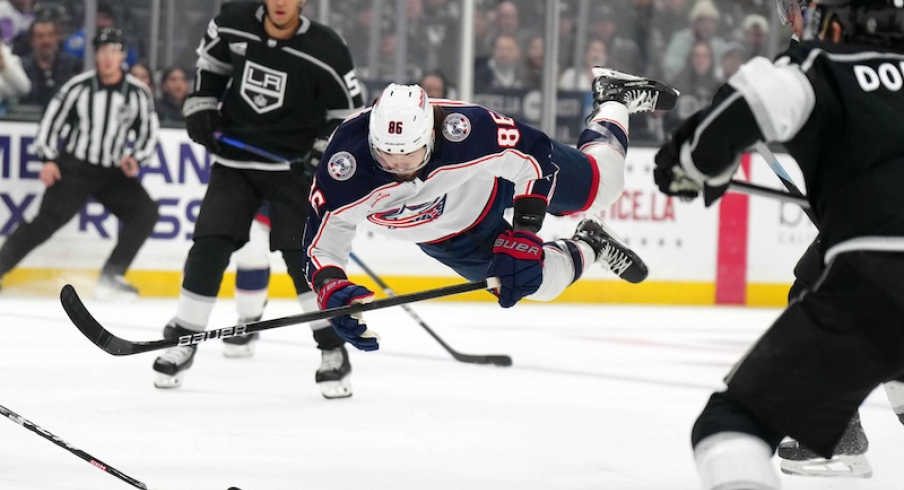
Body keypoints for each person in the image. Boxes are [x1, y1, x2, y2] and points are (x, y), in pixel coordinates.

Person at [651, 1, 904, 489]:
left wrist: (689, 165)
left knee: (729, 428)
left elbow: (708, 139)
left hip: (877, 271)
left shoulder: (814, 66)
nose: (792, 18)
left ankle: (835, 436)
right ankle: (841, 433)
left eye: (799, 7)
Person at [303, 69, 679, 352]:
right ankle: (591, 243)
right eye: (387, 156)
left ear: (430, 134)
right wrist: (332, 290)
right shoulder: (343, 170)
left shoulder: (466, 128)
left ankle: (614, 97)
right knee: (537, 284)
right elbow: (322, 247)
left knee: (604, 188)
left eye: (410, 156)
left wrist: (525, 233)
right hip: (448, 238)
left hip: (497, 178)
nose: (400, 167)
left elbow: (534, 158)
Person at [152, 0, 365, 399]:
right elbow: (210, 73)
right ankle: (184, 337)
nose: (281, 2)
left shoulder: (327, 47)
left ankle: (332, 350)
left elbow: (347, 113)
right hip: (236, 162)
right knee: (210, 244)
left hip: (293, 169)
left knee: (302, 258)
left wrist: (321, 151)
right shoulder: (231, 24)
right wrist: (202, 107)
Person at [0, 27, 159, 298]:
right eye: (103, 51)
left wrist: (136, 157)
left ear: (122, 56)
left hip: (112, 171)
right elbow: (50, 124)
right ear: (96, 55)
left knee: (146, 213)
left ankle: (112, 276)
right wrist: (49, 159)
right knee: (45, 222)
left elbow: (148, 132)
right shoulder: (78, 87)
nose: (109, 57)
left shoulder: (138, 93)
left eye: (115, 51)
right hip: (76, 168)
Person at [20, 15, 79, 107]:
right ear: (32, 40)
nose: (46, 41)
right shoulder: (21, 67)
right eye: (40, 36)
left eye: (50, 35)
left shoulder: (72, 66)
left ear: (57, 37)